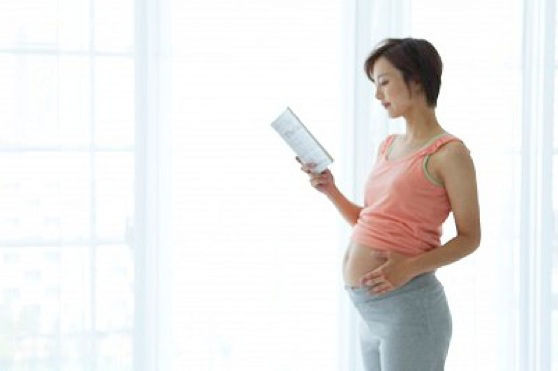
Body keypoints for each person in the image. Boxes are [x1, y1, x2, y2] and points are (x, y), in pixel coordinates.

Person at [296, 37, 481, 371]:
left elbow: (470, 238)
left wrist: (408, 267)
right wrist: (331, 191)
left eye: (384, 83)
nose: (378, 95)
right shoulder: (388, 146)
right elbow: (373, 221)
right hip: (368, 309)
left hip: (409, 306)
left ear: (416, 80)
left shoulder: (449, 153)